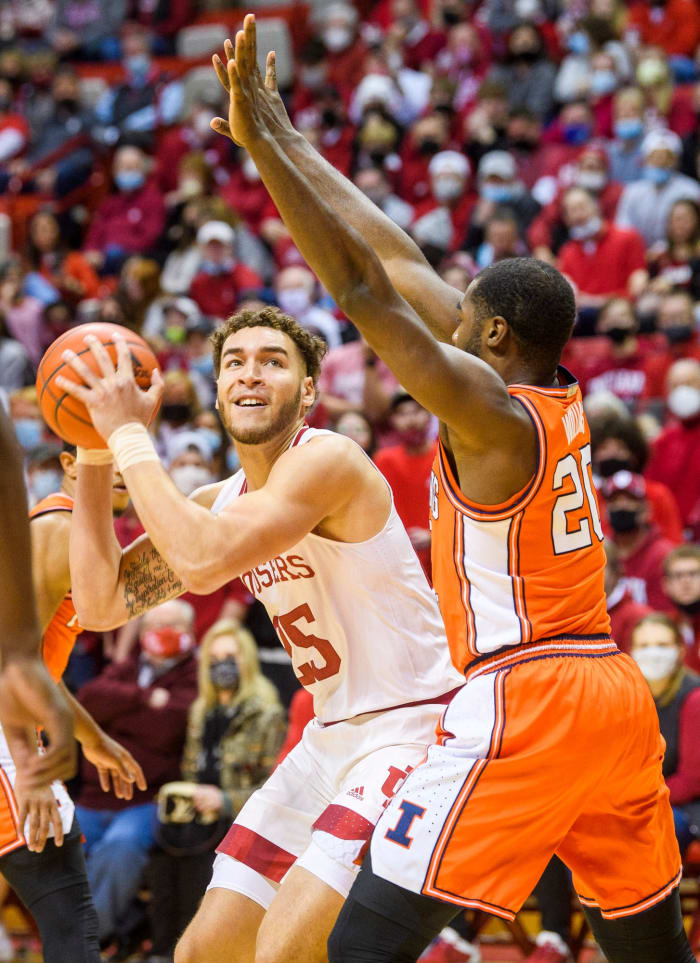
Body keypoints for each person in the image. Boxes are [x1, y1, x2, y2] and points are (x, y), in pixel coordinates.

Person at [213, 21, 693, 961]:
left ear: (495, 339)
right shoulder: (545, 388)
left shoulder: (487, 412)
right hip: (613, 693)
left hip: (526, 694)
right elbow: (401, 265)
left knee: (358, 951)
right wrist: (286, 133)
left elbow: (361, 290)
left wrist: (266, 152)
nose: (450, 314)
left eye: (465, 316)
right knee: (652, 953)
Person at [58, 303, 462, 963]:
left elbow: (202, 558)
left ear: (308, 391)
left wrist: (131, 439)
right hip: (329, 738)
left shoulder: (330, 458)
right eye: (234, 363)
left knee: (283, 951)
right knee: (202, 952)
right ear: (216, 389)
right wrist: (97, 456)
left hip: (413, 728)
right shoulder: (223, 497)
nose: (250, 375)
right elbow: (100, 604)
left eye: (273, 362)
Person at [0, 443, 145, 963]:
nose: (124, 469)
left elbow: (39, 668)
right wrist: (28, 768)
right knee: (71, 915)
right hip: (8, 734)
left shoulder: (75, 534)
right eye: (108, 455)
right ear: (68, 464)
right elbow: (7, 660)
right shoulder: (59, 529)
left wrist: (95, 739)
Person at [148, 619, 285, 961]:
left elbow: (275, 788)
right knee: (161, 862)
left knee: (196, 870)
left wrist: (223, 801)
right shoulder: (201, 710)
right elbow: (191, 769)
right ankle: (162, 951)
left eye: (231, 656)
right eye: (215, 657)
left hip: (238, 821)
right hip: (198, 819)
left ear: (247, 661)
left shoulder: (267, 714)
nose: (222, 665)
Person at [75, 599, 198, 948]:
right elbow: (86, 700)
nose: (161, 634)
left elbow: (169, 729)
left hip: (145, 800)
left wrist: (115, 717)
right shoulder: (127, 668)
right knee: (58, 844)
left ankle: (84, 942)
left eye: (171, 625)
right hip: (92, 797)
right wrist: (145, 698)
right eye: (153, 626)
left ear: (190, 633)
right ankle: (111, 929)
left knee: (119, 850)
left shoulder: (195, 675)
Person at [629, 614, 700, 857]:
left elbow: (692, 781)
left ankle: (655, 895)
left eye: (662, 645)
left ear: (680, 650)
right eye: (644, 646)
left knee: (648, 832)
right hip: (640, 800)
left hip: (687, 806)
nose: (653, 653)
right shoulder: (628, 696)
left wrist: (638, 801)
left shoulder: (694, 698)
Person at [374, 392, 436, 578]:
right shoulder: (384, 460)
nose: (410, 420)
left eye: (417, 411)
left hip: (442, 558)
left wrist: (436, 537)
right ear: (392, 421)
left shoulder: (443, 456)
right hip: (400, 564)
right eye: (402, 414)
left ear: (430, 415)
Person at [604, 538, 652, 654]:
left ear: (617, 572)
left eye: (597, 566)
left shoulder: (639, 616)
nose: (590, 573)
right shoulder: (571, 616)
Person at [663, 545, 700, 673]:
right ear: (665, 584)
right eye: (678, 575)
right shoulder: (663, 627)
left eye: (693, 574)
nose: (686, 581)